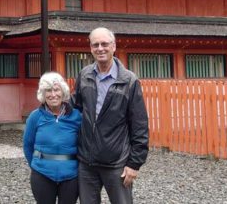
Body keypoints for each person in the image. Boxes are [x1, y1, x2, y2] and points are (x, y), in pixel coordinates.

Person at [71, 27, 148, 204]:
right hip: (87, 161)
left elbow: (139, 124)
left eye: (104, 44)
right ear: (90, 48)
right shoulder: (84, 75)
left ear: (114, 46)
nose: (100, 48)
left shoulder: (128, 80)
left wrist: (134, 163)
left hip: (116, 163)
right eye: (95, 44)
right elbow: (75, 107)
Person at [22, 71, 82, 204]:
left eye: (56, 90)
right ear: (43, 94)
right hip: (42, 173)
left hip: (70, 174)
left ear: (63, 92)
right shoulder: (35, 117)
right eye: (48, 90)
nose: (53, 94)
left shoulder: (77, 116)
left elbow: (84, 143)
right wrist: (36, 165)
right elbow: (27, 145)